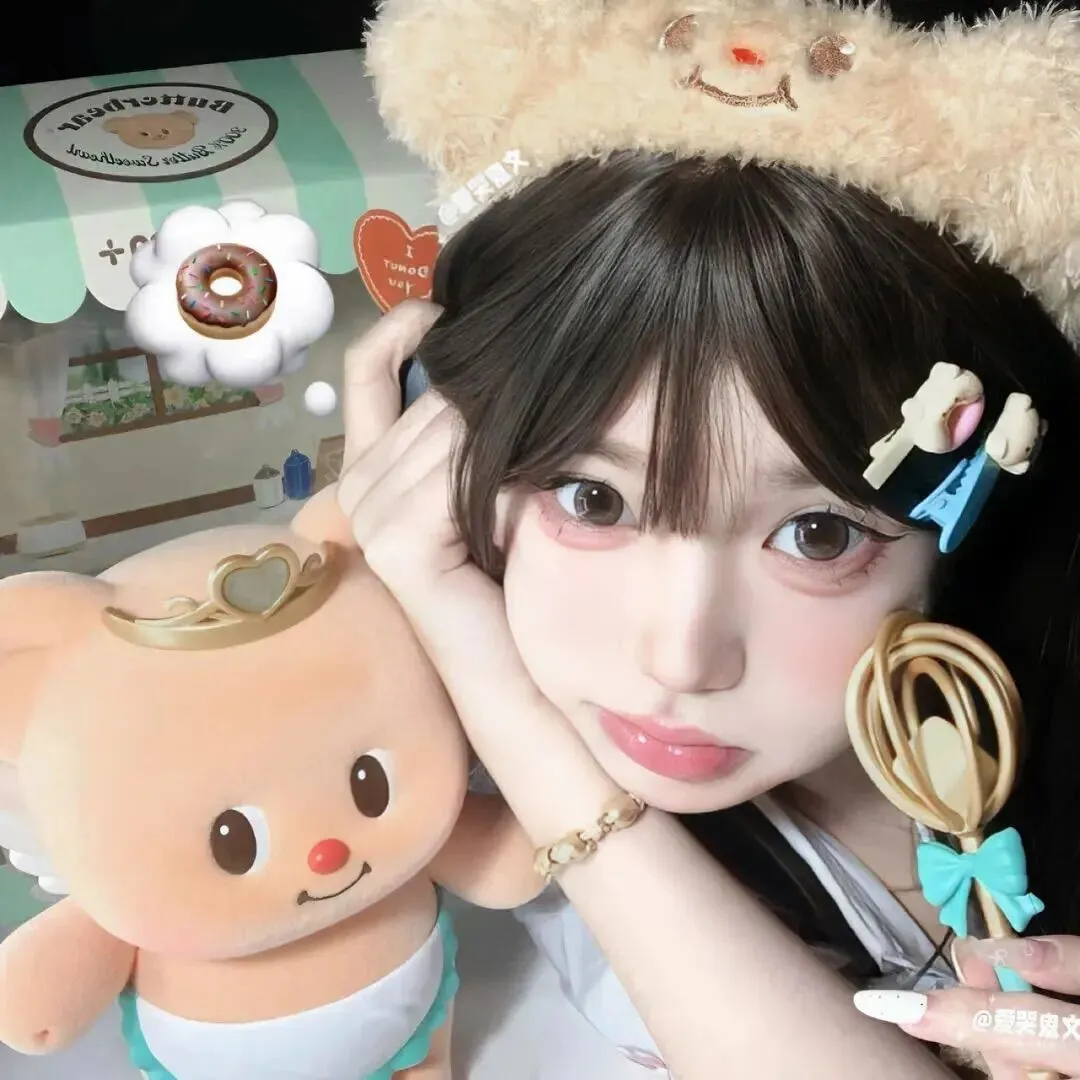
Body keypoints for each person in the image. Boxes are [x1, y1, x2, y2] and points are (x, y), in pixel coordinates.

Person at [337, 0, 1080, 1076]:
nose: (680, 659)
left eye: (817, 534)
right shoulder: (437, 763)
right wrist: (463, 639)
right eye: (594, 501)